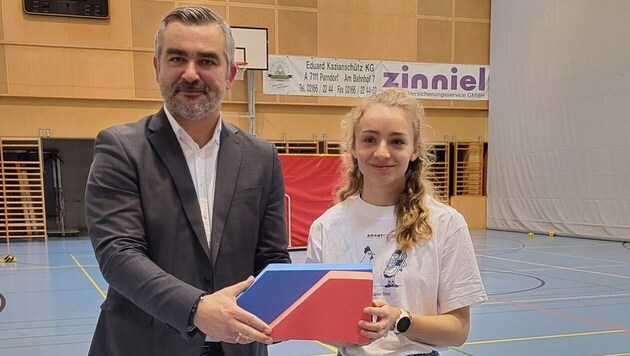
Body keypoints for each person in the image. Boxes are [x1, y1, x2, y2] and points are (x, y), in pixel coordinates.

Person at [84, 5, 291, 356]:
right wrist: (196, 309)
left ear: (231, 74)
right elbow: (118, 254)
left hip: (238, 348)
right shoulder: (121, 148)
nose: (191, 74)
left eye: (208, 61)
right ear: (157, 67)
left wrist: (280, 309)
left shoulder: (261, 157)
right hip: (144, 346)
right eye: (177, 59)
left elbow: (271, 257)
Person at [305, 89, 487, 356]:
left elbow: (458, 330)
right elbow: (319, 320)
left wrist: (399, 320)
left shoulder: (446, 223)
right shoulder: (327, 227)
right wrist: (347, 331)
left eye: (397, 142)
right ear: (353, 148)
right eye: (369, 139)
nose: (381, 153)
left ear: (415, 150)